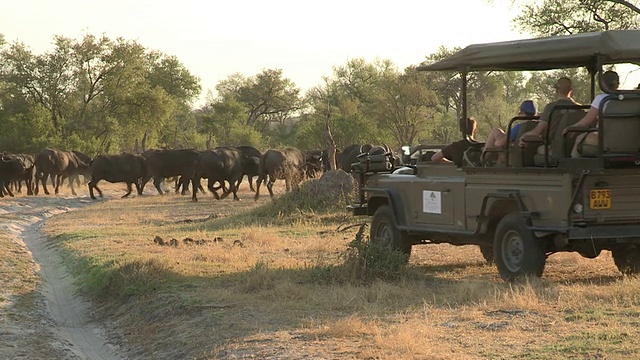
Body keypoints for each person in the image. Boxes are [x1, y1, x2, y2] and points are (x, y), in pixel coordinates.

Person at [564, 70, 619, 157]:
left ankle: (575, 166)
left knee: (579, 139)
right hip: (627, 137)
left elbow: (586, 121)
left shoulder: (601, 99)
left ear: (602, 84)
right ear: (618, 83)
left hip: (605, 136)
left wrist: (572, 127)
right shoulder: (628, 99)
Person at [518, 77, 580, 150]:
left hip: (554, 147)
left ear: (556, 90)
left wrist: (524, 135)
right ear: (571, 90)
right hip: (574, 146)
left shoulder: (551, 107)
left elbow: (537, 132)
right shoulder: (580, 108)